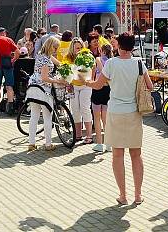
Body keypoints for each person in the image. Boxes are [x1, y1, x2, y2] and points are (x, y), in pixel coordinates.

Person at [87, 32, 153, 206]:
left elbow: (98, 85)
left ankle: (123, 195)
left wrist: (85, 81)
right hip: (134, 112)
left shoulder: (111, 64)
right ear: (132, 46)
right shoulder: (139, 63)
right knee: (136, 155)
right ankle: (138, 195)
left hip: (115, 111)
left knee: (117, 155)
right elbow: (150, 86)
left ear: (118, 46)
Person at [25, 36, 66, 151]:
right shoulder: (46, 61)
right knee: (48, 117)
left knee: (34, 116)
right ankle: (48, 144)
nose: (56, 50)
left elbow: (55, 61)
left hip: (33, 88)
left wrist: (62, 65)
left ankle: (31, 143)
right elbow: (44, 78)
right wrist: (58, 80)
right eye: (55, 47)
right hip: (44, 91)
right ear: (50, 46)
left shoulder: (40, 54)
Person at [67, 37, 94, 143]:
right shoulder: (69, 58)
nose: (78, 50)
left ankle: (89, 136)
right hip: (74, 86)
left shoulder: (87, 56)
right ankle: (77, 135)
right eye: (76, 48)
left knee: (85, 108)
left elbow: (93, 67)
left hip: (85, 86)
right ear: (72, 48)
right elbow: (67, 72)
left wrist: (92, 80)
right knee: (75, 110)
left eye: (80, 47)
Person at [0, 27, 18, 115]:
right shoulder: (8, 40)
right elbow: (18, 52)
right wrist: (13, 60)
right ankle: (10, 108)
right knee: (9, 87)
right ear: (4, 33)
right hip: (8, 66)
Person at [91, 43, 112, 153]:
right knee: (105, 118)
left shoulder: (98, 59)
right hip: (107, 89)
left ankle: (99, 143)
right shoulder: (112, 61)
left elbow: (101, 71)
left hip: (98, 88)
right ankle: (108, 144)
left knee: (96, 117)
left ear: (102, 50)